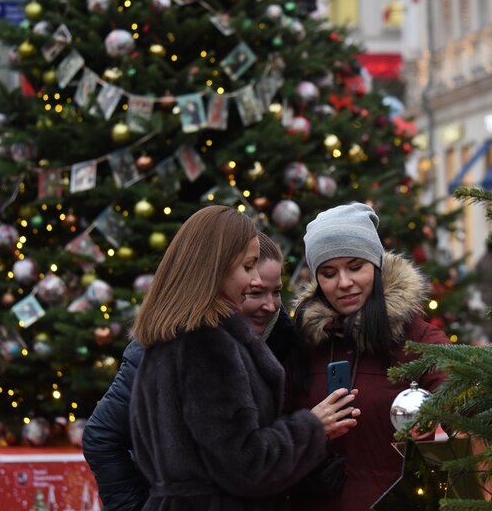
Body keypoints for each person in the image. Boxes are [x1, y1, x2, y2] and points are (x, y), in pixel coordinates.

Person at [128, 206, 358, 510]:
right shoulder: (207, 342)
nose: (252, 281)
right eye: (247, 267)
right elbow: (247, 465)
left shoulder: (169, 335)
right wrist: (313, 426)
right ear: (216, 267)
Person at [83, 233, 298, 510]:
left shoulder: (286, 342)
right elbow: (102, 436)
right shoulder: (165, 345)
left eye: (277, 291)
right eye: (255, 292)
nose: (270, 306)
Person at [285, 202, 449, 511]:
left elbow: (460, 423)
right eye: (329, 273)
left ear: (375, 264)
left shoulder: (420, 340)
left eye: (355, 266)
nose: (344, 283)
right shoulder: (304, 343)